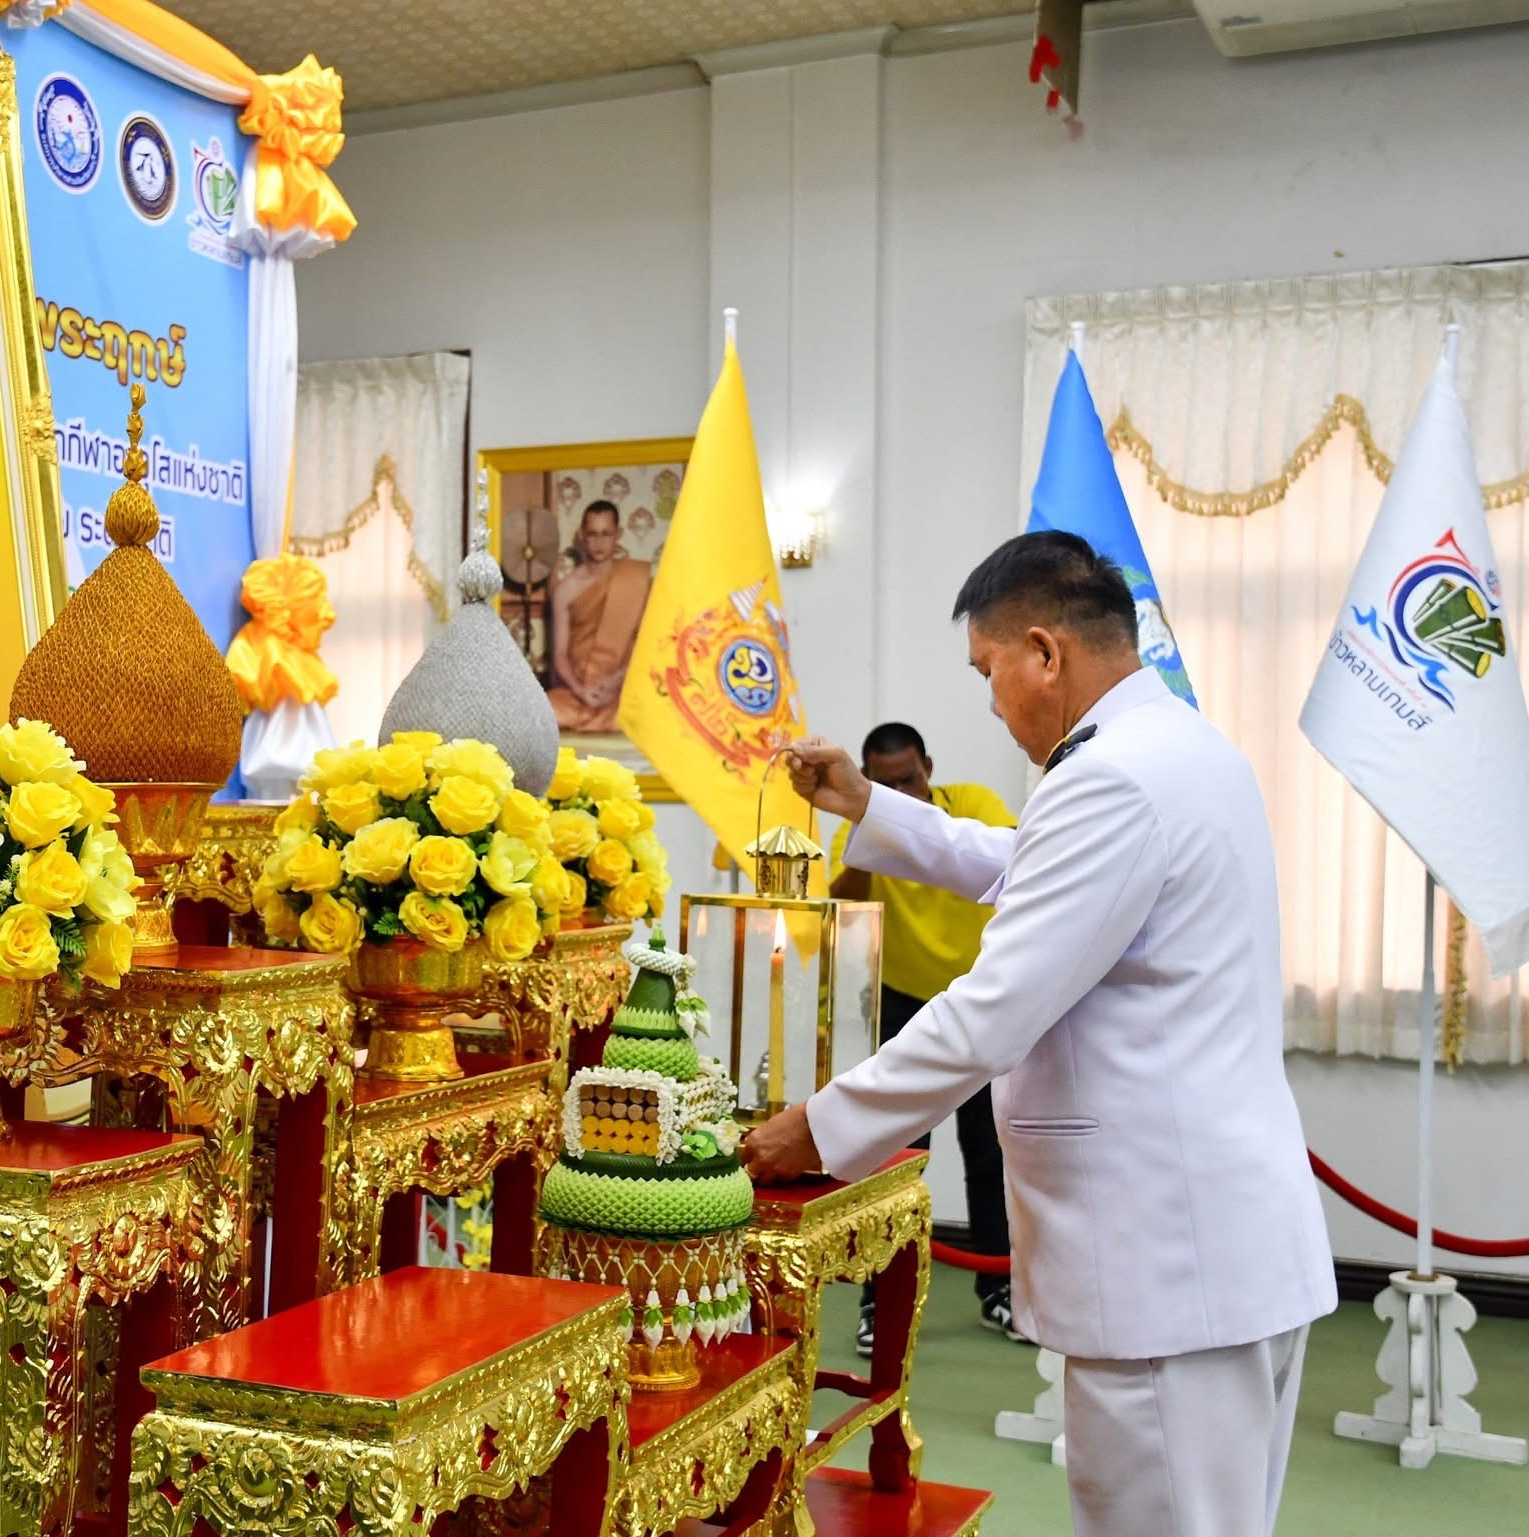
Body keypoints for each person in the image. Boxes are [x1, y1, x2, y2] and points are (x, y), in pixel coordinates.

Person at [741, 531, 1335, 1537]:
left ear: (1043, 652)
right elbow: (1021, 861)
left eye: (987, 670)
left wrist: (819, 1126)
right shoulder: (1178, 748)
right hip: (1219, 1243)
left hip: (1162, 1262)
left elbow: (990, 1011)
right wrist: (861, 802)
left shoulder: (1109, 779)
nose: (989, 700)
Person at [829, 722, 1021, 1354]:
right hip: (902, 1002)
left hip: (976, 1004)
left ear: (929, 766)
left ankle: (1000, 1292)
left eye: (908, 780)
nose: (900, 794)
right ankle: (876, 1305)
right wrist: (868, 829)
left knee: (988, 1153)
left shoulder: (973, 805)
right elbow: (839, 905)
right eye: (883, 785)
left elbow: (1010, 856)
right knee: (893, 1160)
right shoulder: (863, 826)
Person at [546, 500, 650, 731]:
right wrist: (582, 690)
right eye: (593, 534)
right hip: (577, 691)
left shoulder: (634, 580)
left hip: (622, 689)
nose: (599, 543)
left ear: (618, 534)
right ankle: (598, 718)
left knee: (651, 710)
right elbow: (560, 656)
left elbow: (646, 645)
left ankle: (601, 718)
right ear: (583, 535)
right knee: (545, 709)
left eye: (606, 534)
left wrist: (616, 680)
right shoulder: (566, 590)